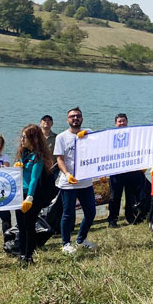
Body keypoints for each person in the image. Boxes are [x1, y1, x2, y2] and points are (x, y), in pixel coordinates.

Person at [55, 107, 98, 253]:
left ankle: (81, 239)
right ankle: (66, 243)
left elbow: (99, 148)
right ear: (68, 119)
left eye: (78, 116)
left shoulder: (89, 133)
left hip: (86, 182)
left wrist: (87, 139)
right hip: (69, 183)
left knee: (91, 212)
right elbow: (59, 159)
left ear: (82, 118)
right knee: (68, 214)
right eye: (72, 116)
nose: (75, 118)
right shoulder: (61, 137)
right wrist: (67, 174)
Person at [15, 124, 54, 265]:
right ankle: (21, 253)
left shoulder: (38, 157)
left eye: (25, 137)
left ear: (34, 138)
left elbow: (34, 179)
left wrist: (30, 197)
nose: (22, 140)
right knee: (20, 225)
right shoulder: (23, 154)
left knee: (29, 225)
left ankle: (28, 255)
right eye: (22, 137)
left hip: (31, 196)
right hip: (19, 194)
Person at [106, 113, 148, 227]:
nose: (122, 123)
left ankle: (131, 218)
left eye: (123, 121)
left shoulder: (134, 135)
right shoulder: (109, 136)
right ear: (115, 123)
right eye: (119, 121)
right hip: (116, 172)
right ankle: (112, 220)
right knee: (115, 197)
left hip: (131, 171)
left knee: (131, 196)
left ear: (127, 122)